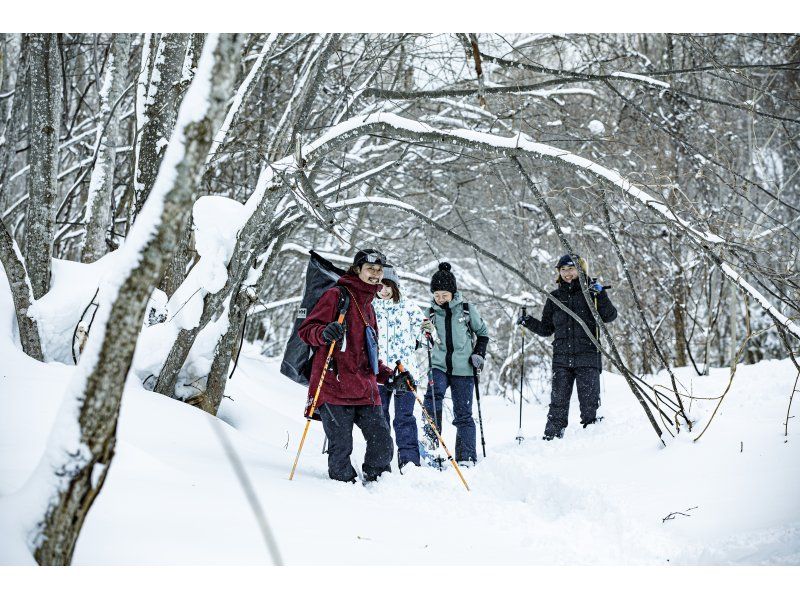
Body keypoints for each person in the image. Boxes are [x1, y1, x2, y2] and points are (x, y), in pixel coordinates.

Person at [298, 249, 412, 483]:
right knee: (341, 450)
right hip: (333, 388)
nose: (376, 274)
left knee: (382, 442)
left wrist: (390, 377)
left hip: (364, 390)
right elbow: (306, 331)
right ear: (357, 269)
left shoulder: (369, 306)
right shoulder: (336, 296)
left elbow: (368, 355)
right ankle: (345, 498)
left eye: (380, 270)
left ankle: (379, 485)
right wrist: (323, 332)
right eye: (370, 269)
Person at [517, 254, 617, 440]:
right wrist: (528, 322)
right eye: (563, 269)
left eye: (571, 269)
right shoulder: (554, 298)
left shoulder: (591, 294)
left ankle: (594, 441)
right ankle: (552, 439)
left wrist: (601, 294)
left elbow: (610, 316)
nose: (567, 273)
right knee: (558, 403)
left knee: (589, 404)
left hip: (588, 356)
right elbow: (547, 329)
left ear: (580, 270)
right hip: (562, 359)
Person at [423, 262, 490, 466]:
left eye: (444, 295)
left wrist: (478, 354)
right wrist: (423, 332)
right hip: (439, 366)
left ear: (453, 292)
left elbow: (483, 334)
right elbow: (421, 339)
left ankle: (466, 456)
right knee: (433, 400)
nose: (440, 299)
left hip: (464, 369)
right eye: (437, 295)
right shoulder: (431, 313)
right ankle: (432, 446)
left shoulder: (467, 310)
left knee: (463, 413)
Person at [373, 266, 432, 471]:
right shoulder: (369, 307)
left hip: (405, 373)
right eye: (380, 286)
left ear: (395, 286)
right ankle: (381, 461)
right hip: (378, 373)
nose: (384, 291)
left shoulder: (409, 307)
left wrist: (428, 332)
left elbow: (428, 340)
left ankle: (409, 462)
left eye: (388, 286)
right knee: (379, 418)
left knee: (404, 418)